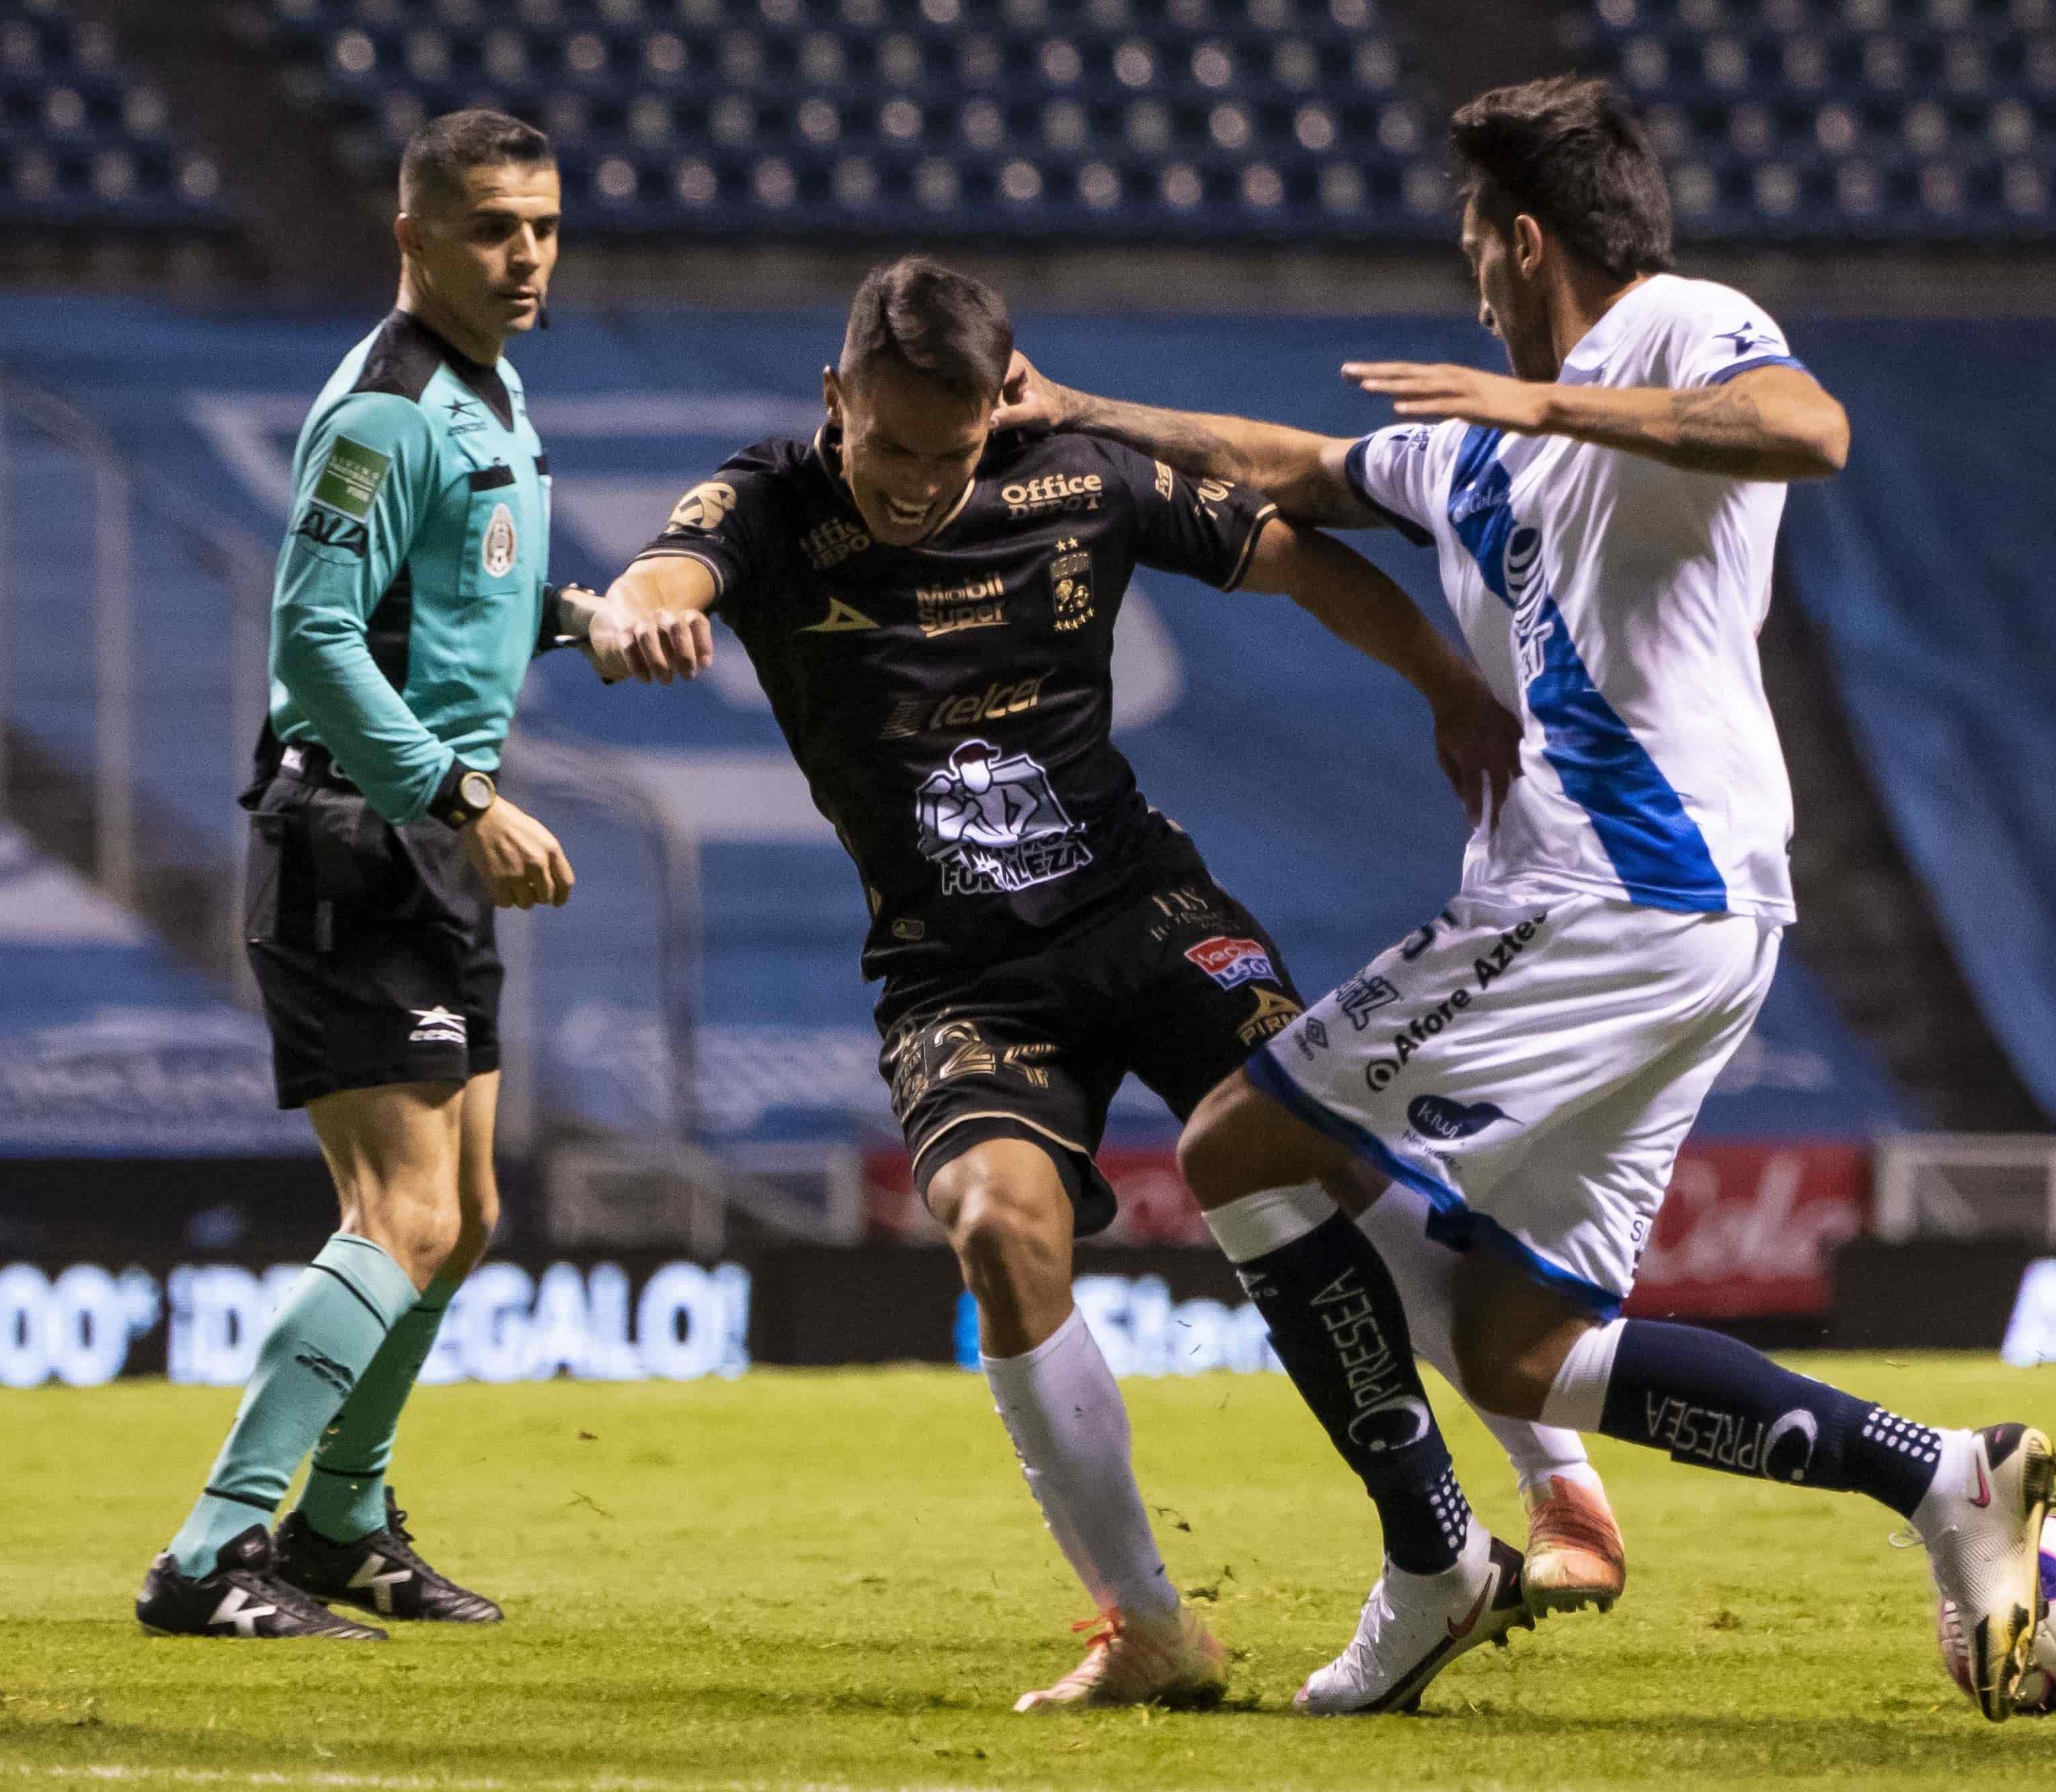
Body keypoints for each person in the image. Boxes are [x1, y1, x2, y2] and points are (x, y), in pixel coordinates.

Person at [995, 73, 2056, 1721]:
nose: (1465, 275)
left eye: (1468, 239)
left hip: (1619, 887)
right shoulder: (1470, 449)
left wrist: (1554, 408)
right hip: (1685, 921)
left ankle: (1428, 1565)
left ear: (1516, 238)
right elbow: (1296, 467)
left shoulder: (1671, 325)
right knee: (1512, 1345)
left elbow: (1811, 430)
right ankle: (1943, 1479)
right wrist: (1077, 407)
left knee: (1236, 1145)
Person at [584, 255, 1622, 1709]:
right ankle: (1147, 1627)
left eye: (947, 455)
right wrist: (644, 609)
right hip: (960, 977)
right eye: (885, 448)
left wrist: (1449, 688)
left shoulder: (1076, 477)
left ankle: (1551, 1475)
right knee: (996, 1233)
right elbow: (668, 568)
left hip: (1148, 913)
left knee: (1329, 1159)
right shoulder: (768, 501)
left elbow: (1295, 556)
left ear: (996, 412)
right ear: (835, 402)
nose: (915, 485)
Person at [135, 110, 659, 1639]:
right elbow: (311, 634)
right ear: (414, 238)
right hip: (355, 834)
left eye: (545, 225)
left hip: (422, 835)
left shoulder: (490, 390)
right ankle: (211, 1552)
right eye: (495, 227)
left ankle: (339, 1522)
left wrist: (583, 619)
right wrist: (456, 792)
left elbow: (446, 606)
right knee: (403, 1214)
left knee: (468, 1210)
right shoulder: (384, 410)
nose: (527, 255)